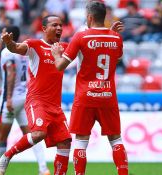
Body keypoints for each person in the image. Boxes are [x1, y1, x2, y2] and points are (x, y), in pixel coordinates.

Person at [51, 1, 128, 175]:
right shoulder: (116, 38)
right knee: (116, 139)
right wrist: (112, 34)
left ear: (90, 17)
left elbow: (60, 66)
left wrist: (56, 54)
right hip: (108, 95)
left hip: (85, 96)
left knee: (81, 141)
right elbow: (116, 59)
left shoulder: (80, 37)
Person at [0, 15, 72, 175]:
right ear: (44, 29)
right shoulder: (34, 45)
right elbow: (16, 48)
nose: (59, 28)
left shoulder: (64, 47)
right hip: (36, 101)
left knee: (65, 142)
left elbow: (84, 52)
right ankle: (7, 155)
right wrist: (9, 43)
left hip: (55, 105)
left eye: (60, 25)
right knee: (39, 133)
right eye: (54, 25)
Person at [0, 26, 50, 175]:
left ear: (8, 34)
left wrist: (7, 98)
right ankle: (43, 168)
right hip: (24, 97)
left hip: (11, 100)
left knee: (1, 136)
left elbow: (11, 73)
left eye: (3, 31)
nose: (1, 34)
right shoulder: (23, 53)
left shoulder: (7, 51)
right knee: (31, 135)